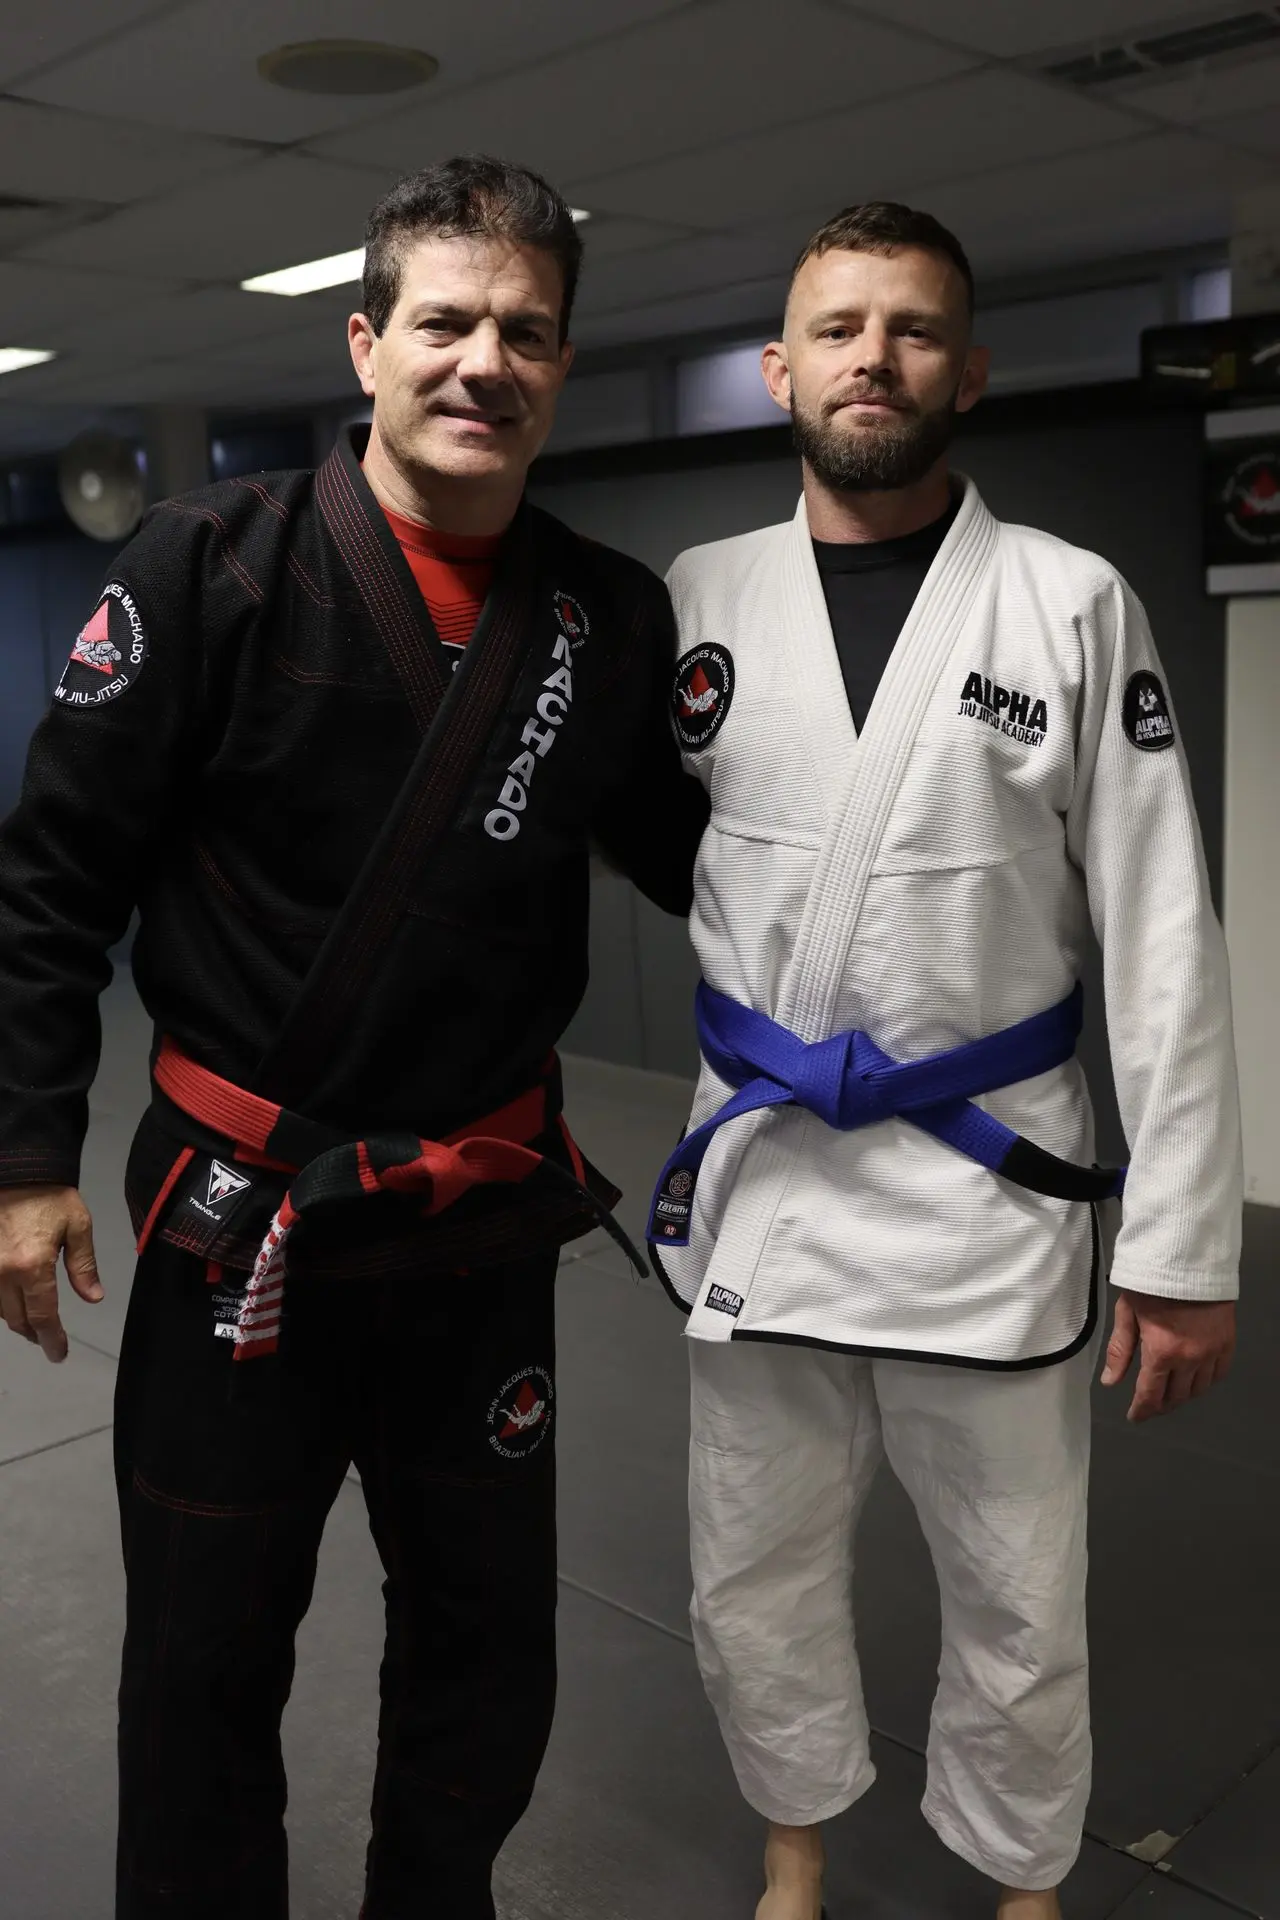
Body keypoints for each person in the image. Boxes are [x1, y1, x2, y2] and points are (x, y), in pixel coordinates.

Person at [0, 155, 707, 1920]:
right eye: (448, 322)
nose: (486, 362)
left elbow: (709, 859)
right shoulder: (211, 567)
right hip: (241, 1212)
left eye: (527, 332)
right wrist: (23, 1159)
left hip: (476, 1218)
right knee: (202, 1656)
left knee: (489, 1649)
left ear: (562, 361)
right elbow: (49, 883)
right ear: (368, 342)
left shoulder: (604, 617)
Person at [647, 202, 1241, 1920]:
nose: (872, 358)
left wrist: (1186, 1253)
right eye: (837, 328)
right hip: (766, 1192)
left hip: (992, 1198)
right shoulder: (700, 601)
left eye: (911, 330)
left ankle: (1024, 1878)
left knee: (1013, 1589)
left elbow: (1163, 944)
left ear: (966, 372)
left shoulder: (1070, 604)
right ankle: (794, 1841)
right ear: (779, 367)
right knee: (749, 1577)